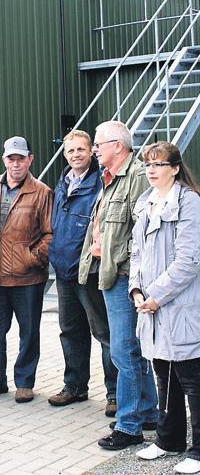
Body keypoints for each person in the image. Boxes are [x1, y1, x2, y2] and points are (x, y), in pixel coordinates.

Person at [79, 120, 158, 451]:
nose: (94, 150)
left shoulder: (137, 177)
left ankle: (129, 426)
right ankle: (149, 412)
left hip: (125, 278)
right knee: (131, 351)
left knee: (124, 352)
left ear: (118, 146)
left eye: (98, 144)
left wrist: (123, 265)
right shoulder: (110, 179)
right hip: (112, 275)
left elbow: (145, 233)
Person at [131, 142, 200, 475]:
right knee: (164, 376)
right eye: (147, 165)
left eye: (158, 164)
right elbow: (136, 253)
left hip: (181, 305)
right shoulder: (145, 202)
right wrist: (135, 289)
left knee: (192, 379)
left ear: (175, 167)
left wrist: (156, 294)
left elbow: (189, 260)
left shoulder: (189, 202)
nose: (152, 170)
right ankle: (168, 439)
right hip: (151, 306)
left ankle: (199, 450)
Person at [0, 136, 53, 404]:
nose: (16, 163)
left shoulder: (42, 192)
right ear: (3, 159)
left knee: (28, 332)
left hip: (28, 277)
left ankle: (25, 382)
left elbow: (50, 234)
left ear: (30, 159)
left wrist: (31, 257)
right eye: (11, 158)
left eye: (21, 158)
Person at [48, 130, 117, 417]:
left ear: (92, 151)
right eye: (70, 151)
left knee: (103, 332)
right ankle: (75, 386)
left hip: (89, 271)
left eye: (81, 149)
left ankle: (114, 393)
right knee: (71, 330)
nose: (75, 154)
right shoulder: (63, 182)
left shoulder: (100, 181)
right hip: (64, 270)